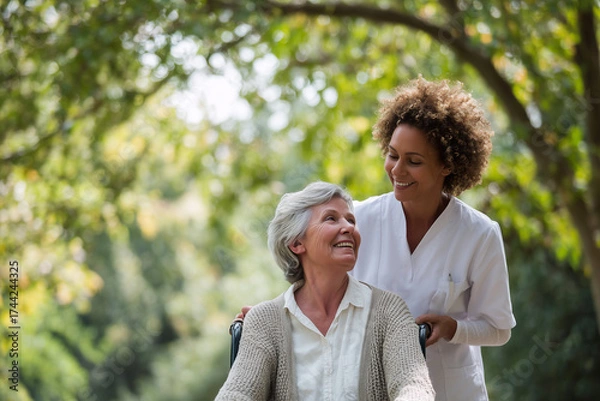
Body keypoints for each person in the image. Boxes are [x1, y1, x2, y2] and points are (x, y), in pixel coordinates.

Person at [351, 76, 516, 400]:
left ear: (447, 165)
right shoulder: (359, 220)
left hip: (450, 391)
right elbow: (321, 296)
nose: (397, 170)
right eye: (392, 155)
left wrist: (454, 329)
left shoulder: (479, 235)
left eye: (414, 161)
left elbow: (499, 328)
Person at [216, 181, 435, 400]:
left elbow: (414, 385)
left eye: (351, 220)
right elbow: (238, 392)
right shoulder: (265, 321)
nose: (349, 227)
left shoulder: (389, 311)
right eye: (331, 218)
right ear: (296, 243)